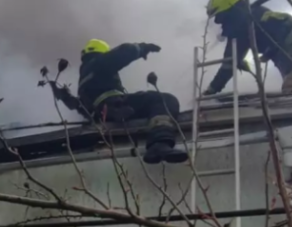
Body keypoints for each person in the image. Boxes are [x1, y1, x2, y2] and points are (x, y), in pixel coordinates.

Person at [51, 39, 189, 165]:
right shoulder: (97, 62)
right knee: (164, 100)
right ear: (102, 52)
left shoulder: (85, 78)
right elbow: (123, 52)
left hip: (107, 112)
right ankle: (160, 143)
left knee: (152, 108)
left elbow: (81, 107)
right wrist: (142, 48)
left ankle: (158, 145)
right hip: (114, 105)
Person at [203, 0, 292, 96]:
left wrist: (211, 90)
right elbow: (232, 59)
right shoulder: (248, 16)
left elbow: (229, 63)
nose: (220, 24)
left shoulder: (240, 24)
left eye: (219, 18)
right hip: (290, 44)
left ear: (228, 12)